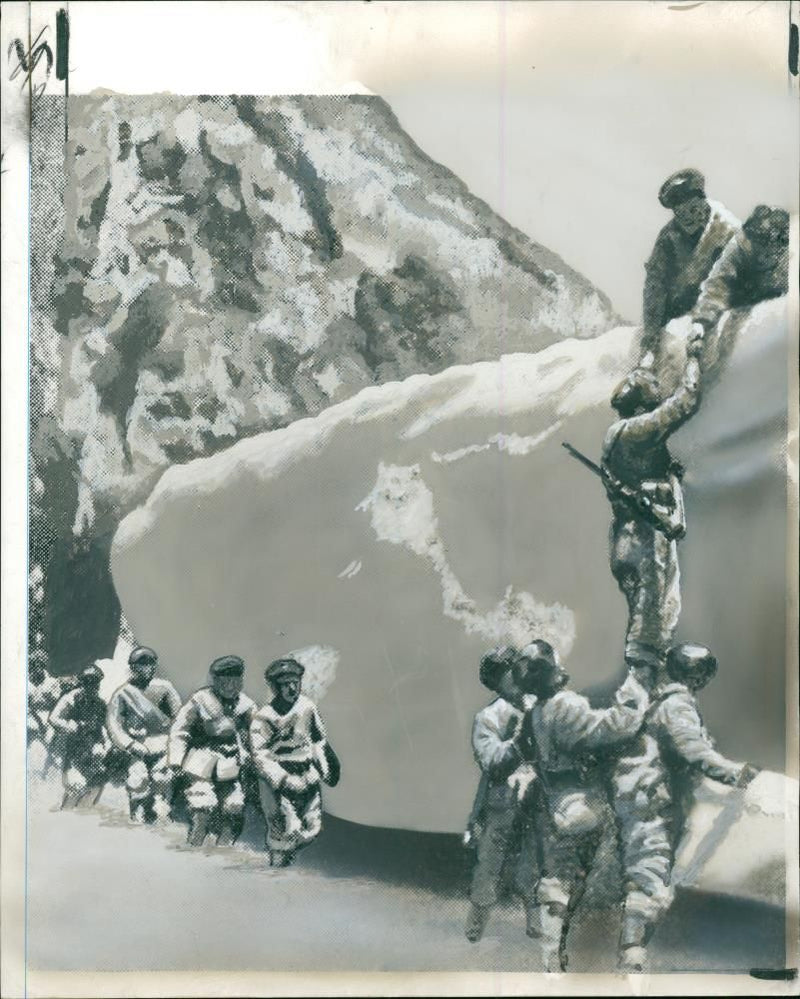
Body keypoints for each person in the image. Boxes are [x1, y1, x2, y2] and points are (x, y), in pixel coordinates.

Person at [610, 642, 759, 972]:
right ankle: (631, 955)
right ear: (698, 675)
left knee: (657, 875)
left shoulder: (671, 703)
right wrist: (738, 774)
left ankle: (633, 952)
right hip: (651, 798)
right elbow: (693, 750)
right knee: (648, 873)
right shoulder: (677, 706)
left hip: (654, 797)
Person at [513, 641, 649, 973]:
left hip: (557, 806)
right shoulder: (564, 705)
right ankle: (628, 955)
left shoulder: (536, 714)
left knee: (559, 882)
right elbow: (614, 728)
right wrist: (635, 687)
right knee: (633, 871)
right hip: (586, 803)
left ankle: (551, 956)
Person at [602, 343, 704, 675]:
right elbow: (687, 401)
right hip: (647, 539)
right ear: (643, 406)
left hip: (627, 537)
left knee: (651, 628)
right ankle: (644, 704)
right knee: (650, 635)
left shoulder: (614, 435)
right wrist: (693, 355)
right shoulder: (633, 431)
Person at [463, 646, 540, 943]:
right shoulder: (488, 717)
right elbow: (492, 761)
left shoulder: (538, 704)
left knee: (535, 860)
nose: (518, 674)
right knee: (490, 865)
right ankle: (476, 924)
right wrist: (521, 741)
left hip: (538, 799)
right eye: (510, 669)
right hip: (502, 802)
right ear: (498, 679)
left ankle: (535, 920)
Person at [640, 168, 740, 367]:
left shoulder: (727, 229)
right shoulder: (669, 237)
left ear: (702, 201)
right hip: (676, 315)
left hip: (716, 311)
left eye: (693, 209)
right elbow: (655, 285)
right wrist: (651, 338)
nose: (687, 218)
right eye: (680, 213)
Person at [250, 658, 338, 868]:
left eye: (295, 682)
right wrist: (281, 780)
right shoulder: (264, 717)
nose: (292, 688)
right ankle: (278, 872)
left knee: (313, 827)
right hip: (278, 783)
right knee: (284, 830)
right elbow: (260, 755)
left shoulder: (307, 707)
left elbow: (318, 739)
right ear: (274, 687)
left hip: (307, 776)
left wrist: (325, 768)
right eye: (285, 684)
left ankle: (286, 858)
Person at [167, 655, 256, 847]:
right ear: (215, 680)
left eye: (235, 679)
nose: (230, 685)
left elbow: (257, 735)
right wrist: (175, 760)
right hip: (201, 760)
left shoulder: (247, 705)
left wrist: (253, 758)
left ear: (241, 680)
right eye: (225, 679)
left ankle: (225, 847)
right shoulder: (200, 700)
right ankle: (195, 844)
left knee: (234, 806)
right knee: (202, 804)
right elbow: (180, 730)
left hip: (231, 764)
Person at [691, 204, 790, 340]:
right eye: (759, 244)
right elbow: (718, 284)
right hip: (739, 313)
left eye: (772, 247)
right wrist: (702, 322)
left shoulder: (792, 256)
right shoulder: (737, 249)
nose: (763, 254)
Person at [107, 646, 182, 823]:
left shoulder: (165, 688)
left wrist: (173, 744)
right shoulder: (123, 693)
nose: (145, 669)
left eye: (149, 664)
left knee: (161, 781)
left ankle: (159, 816)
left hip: (163, 746)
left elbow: (180, 718)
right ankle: (137, 820)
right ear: (132, 668)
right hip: (136, 747)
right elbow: (113, 724)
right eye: (140, 665)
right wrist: (130, 745)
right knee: (137, 782)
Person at [49, 664, 110, 809]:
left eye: (95, 683)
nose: (92, 687)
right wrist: (70, 725)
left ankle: (82, 816)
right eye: (88, 683)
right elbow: (53, 718)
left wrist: (104, 745)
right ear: (82, 683)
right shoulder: (71, 698)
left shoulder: (100, 704)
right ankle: (65, 815)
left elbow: (107, 728)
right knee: (76, 786)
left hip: (90, 752)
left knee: (99, 780)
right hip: (70, 751)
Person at [27, 650, 62, 752]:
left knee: (49, 741)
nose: (36, 668)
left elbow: (58, 704)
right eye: (33, 665)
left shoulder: (52, 682)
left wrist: (48, 695)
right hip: (31, 716)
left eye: (40, 664)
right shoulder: (27, 683)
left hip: (49, 717)